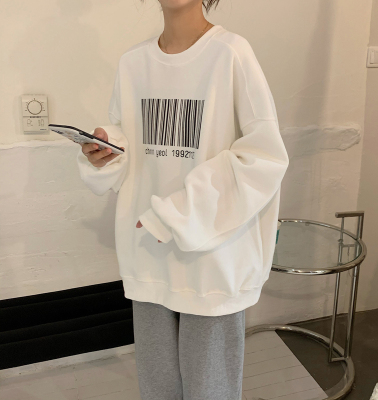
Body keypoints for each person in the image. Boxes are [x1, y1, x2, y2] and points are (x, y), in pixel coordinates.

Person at [77, 0, 289, 399]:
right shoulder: (133, 63)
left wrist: (175, 214)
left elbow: (263, 158)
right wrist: (105, 151)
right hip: (148, 250)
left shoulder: (231, 54)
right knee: (157, 388)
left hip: (212, 257)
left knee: (210, 390)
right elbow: (129, 142)